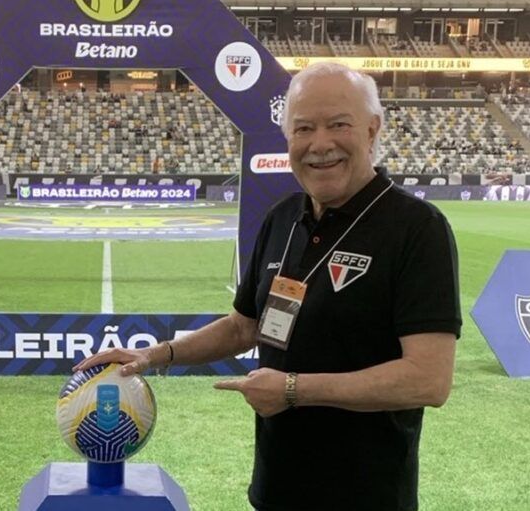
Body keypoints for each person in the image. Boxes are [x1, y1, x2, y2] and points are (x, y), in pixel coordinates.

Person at [75, 62, 461, 511]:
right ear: (288, 139)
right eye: (303, 129)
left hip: (366, 495)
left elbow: (428, 380)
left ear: (372, 130)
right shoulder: (283, 218)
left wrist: (295, 389)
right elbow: (244, 327)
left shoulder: (417, 229)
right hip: (277, 489)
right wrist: (154, 355)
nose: (320, 144)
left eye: (339, 124)